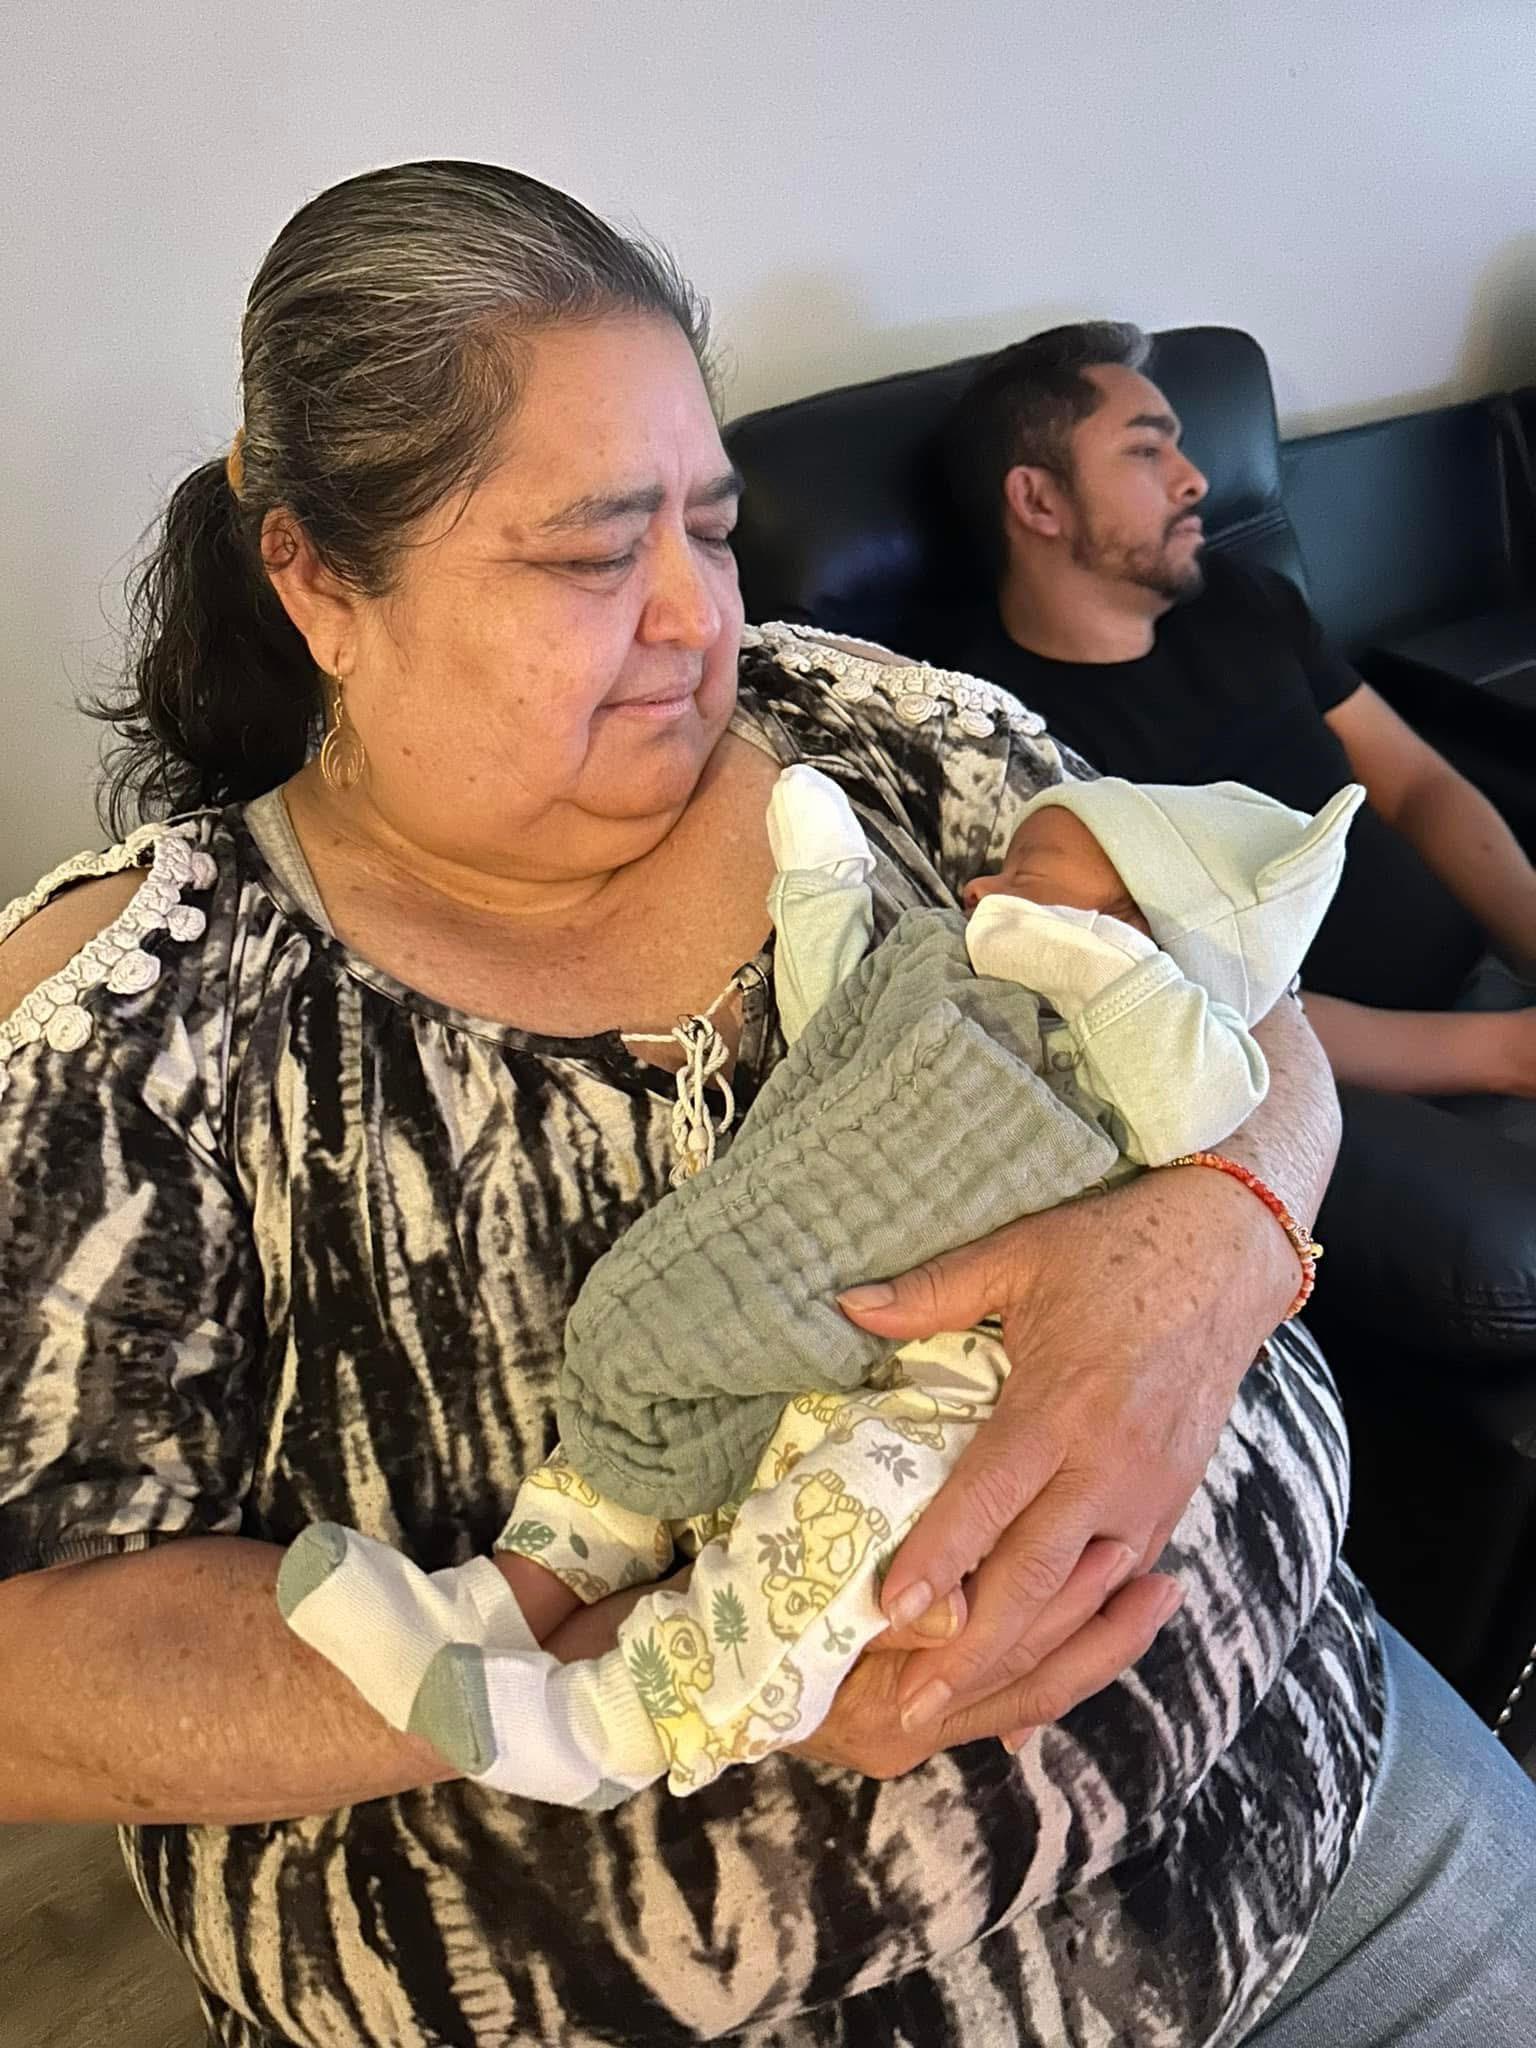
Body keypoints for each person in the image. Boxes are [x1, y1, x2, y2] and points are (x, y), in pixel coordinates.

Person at [0, 161, 1529, 2048]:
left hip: (1325, 1820)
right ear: (316, 574)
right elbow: (28, 1666)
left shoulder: (883, 729)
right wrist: (674, 1669)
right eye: (587, 552)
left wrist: (1221, 1237)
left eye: (712, 531)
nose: (694, 617)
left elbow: (1233, 982)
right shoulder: (144, 1015)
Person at [278, 764, 1363, 1804]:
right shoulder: (959, 973)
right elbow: (834, 1027)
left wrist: (1108, 986)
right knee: (660, 1373)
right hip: (817, 1295)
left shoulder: (1143, 1043)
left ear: (1146, 929)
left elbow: (1226, 1075)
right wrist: (819, 898)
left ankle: (612, 1720)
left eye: (1026, 875)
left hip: (965, 1379)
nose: (982, 887)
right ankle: (492, 1603)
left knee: (845, 1523)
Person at [941, 320, 1536, 1133]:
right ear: (1039, 500)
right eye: (1146, 452)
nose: (1195, 481)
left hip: (1496, 985)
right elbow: (1194, 1007)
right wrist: (1502, 1054)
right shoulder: (1004, 742)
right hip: (1367, 1091)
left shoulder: (1242, 599)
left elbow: (1416, 784)